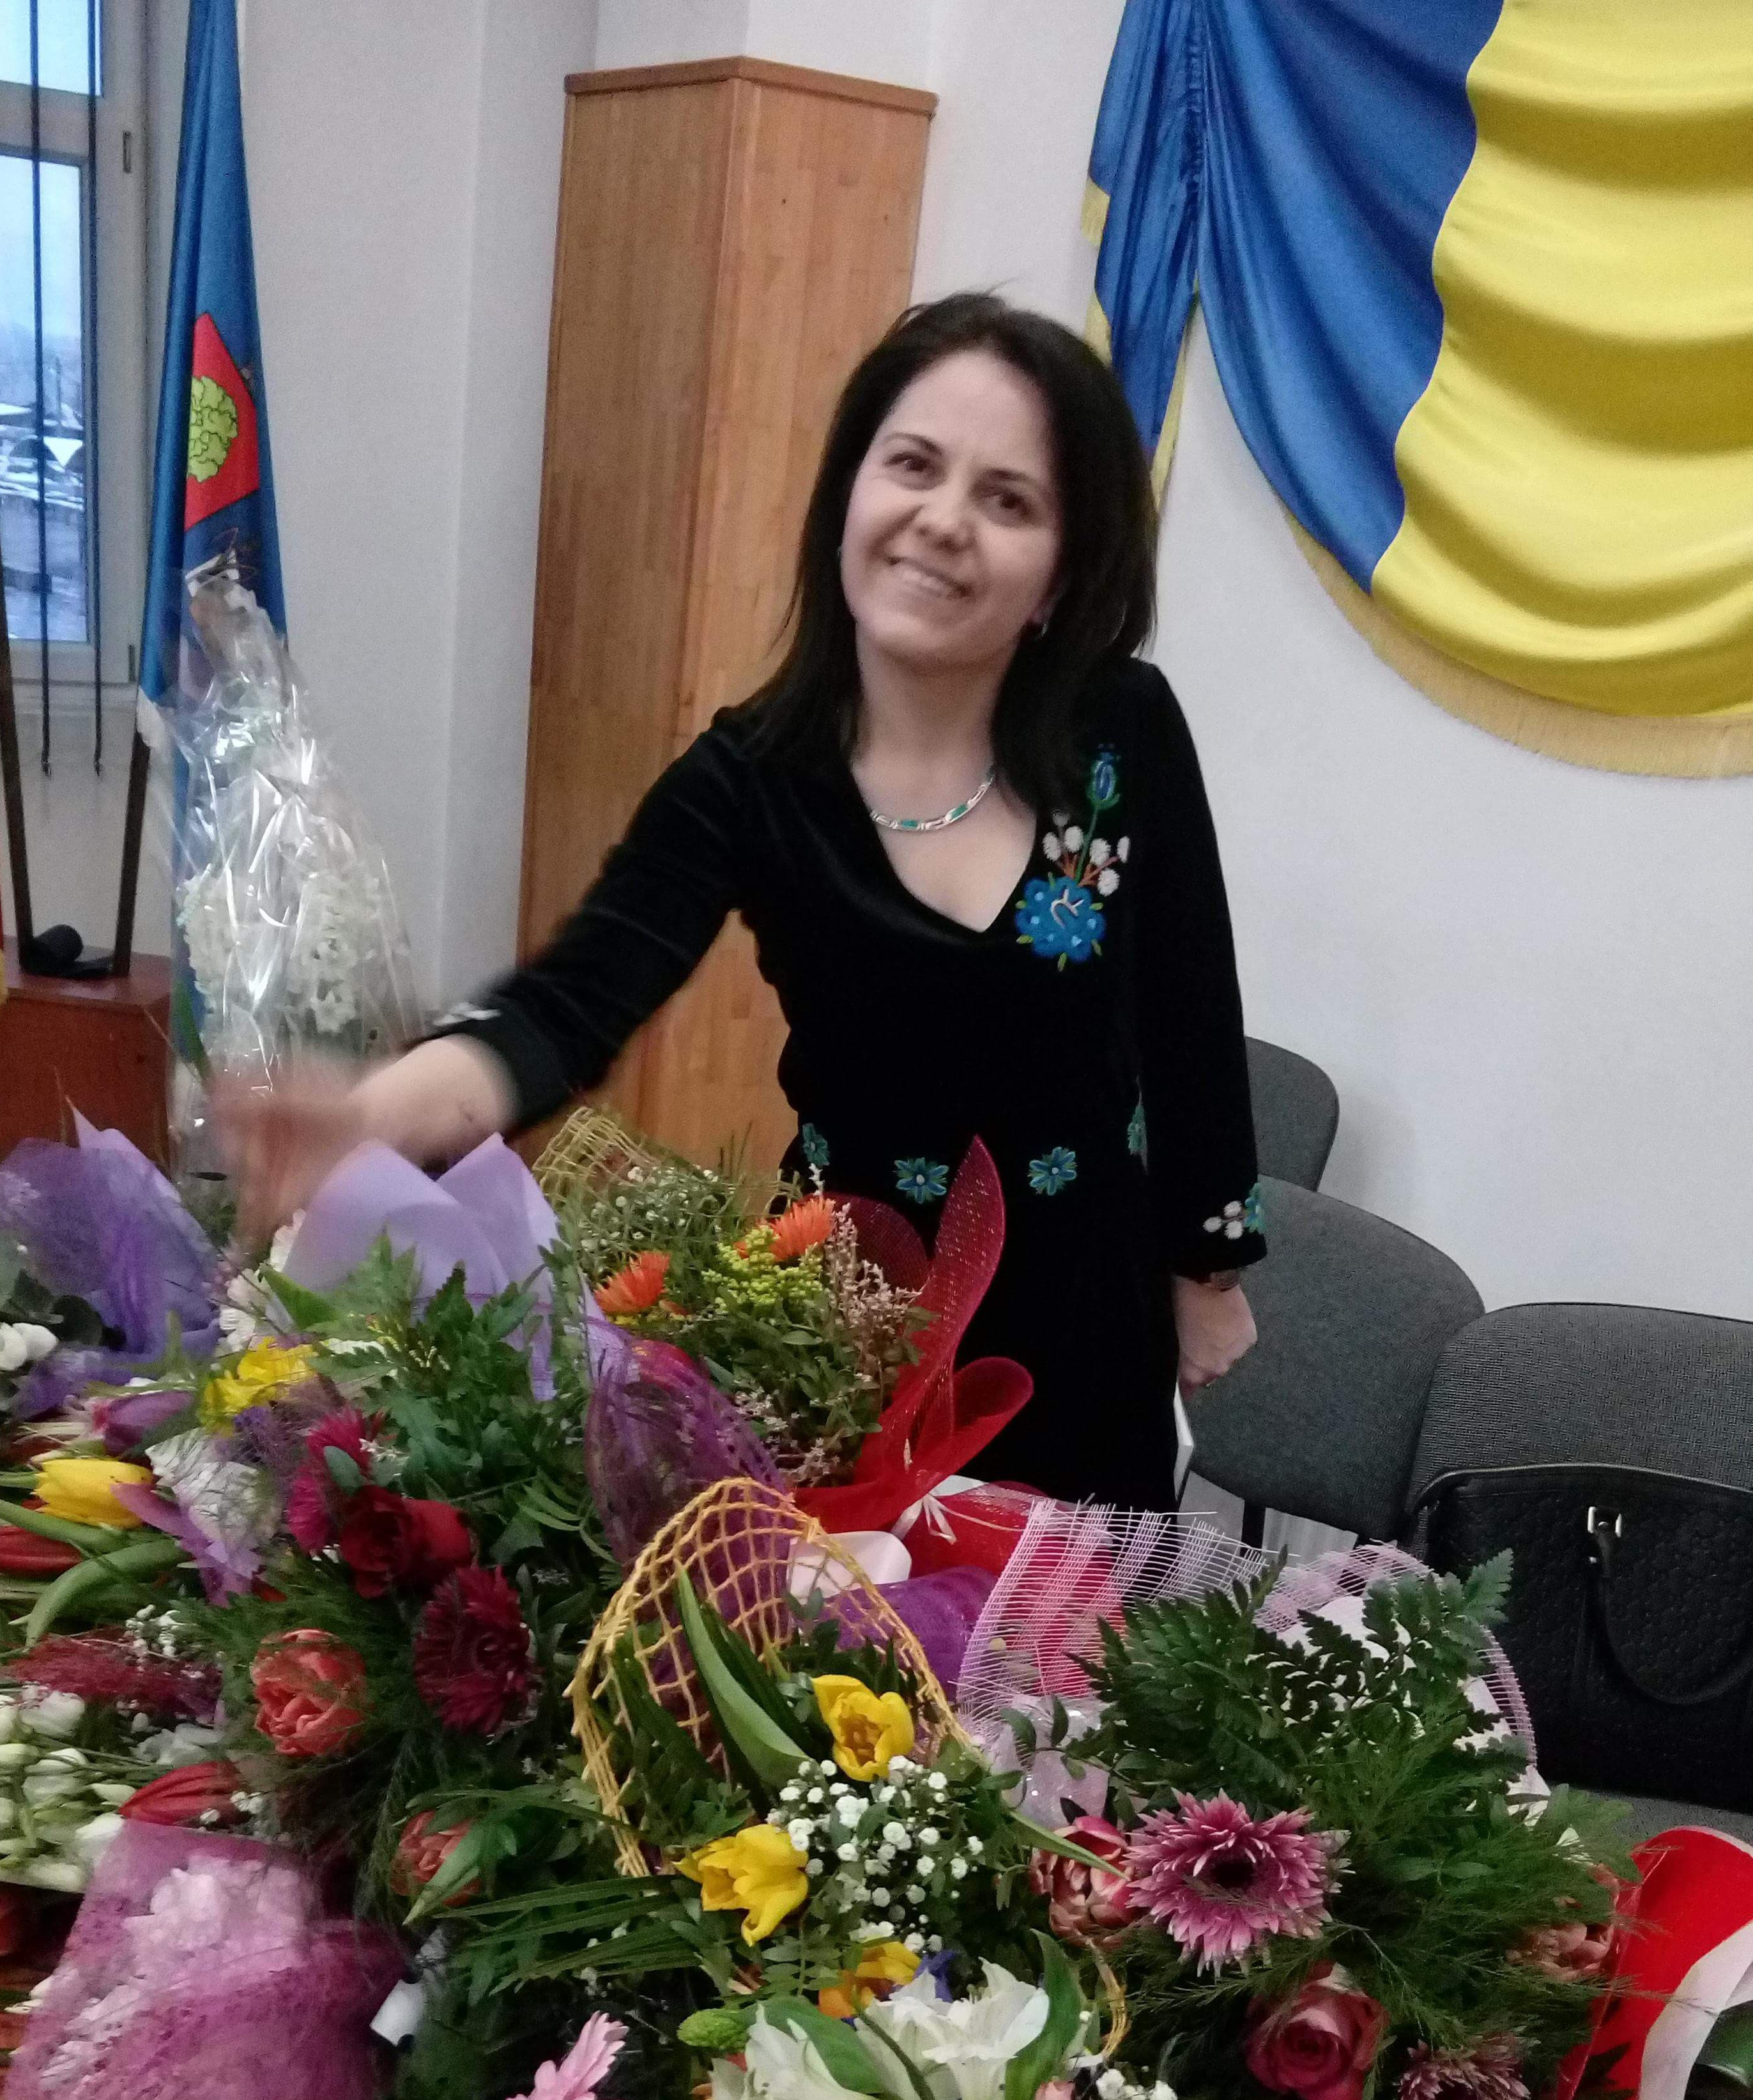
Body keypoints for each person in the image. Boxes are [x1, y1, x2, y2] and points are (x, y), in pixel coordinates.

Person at [225, 293, 1263, 1505]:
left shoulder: (1121, 733)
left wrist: (1209, 1272)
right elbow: (567, 1006)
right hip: (850, 1336)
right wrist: (371, 1117)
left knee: (1069, 1628)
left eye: (1008, 500)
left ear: (1058, 577)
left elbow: (1192, 1011)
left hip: (1088, 1330)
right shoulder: (750, 780)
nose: (943, 521)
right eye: (913, 466)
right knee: (854, 1622)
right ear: (848, 499)